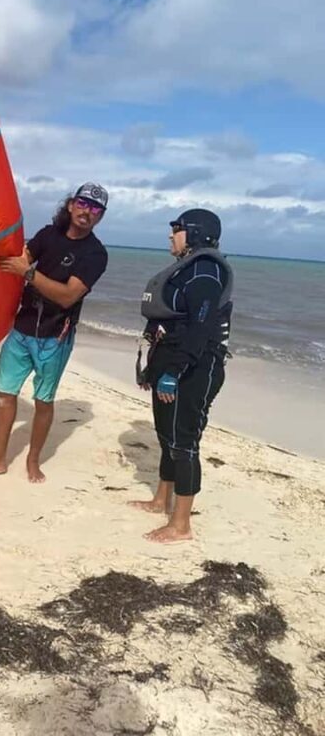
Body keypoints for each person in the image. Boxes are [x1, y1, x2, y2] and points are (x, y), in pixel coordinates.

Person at [0, 183, 109, 483]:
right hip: (22, 328)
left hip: (55, 337)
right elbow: (15, 260)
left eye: (96, 209)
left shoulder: (95, 254)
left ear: (100, 217)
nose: (87, 211)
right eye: (83, 203)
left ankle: (33, 460)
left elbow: (68, 296)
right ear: (71, 205)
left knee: (43, 400)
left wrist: (28, 273)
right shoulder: (48, 235)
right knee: (5, 394)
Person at [130, 208, 233, 543]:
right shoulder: (185, 268)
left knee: (184, 442)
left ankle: (181, 525)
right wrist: (152, 366)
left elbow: (201, 328)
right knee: (165, 435)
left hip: (197, 366)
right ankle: (161, 500)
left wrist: (174, 371)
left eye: (176, 229)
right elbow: (168, 321)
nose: (170, 235)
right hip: (171, 360)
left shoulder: (206, 271)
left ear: (195, 233)